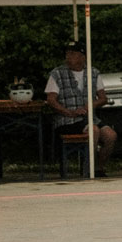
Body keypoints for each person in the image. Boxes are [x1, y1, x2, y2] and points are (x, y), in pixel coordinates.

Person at [45, 40, 117, 176]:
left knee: (110, 135)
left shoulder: (94, 73)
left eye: (73, 53)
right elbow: (51, 100)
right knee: (94, 130)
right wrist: (68, 112)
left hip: (88, 117)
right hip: (67, 120)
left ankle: (98, 168)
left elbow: (103, 98)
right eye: (67, 53)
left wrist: (92, 105)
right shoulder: (56, 74)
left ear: (82, 56)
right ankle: (87, 171)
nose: (68, 56)